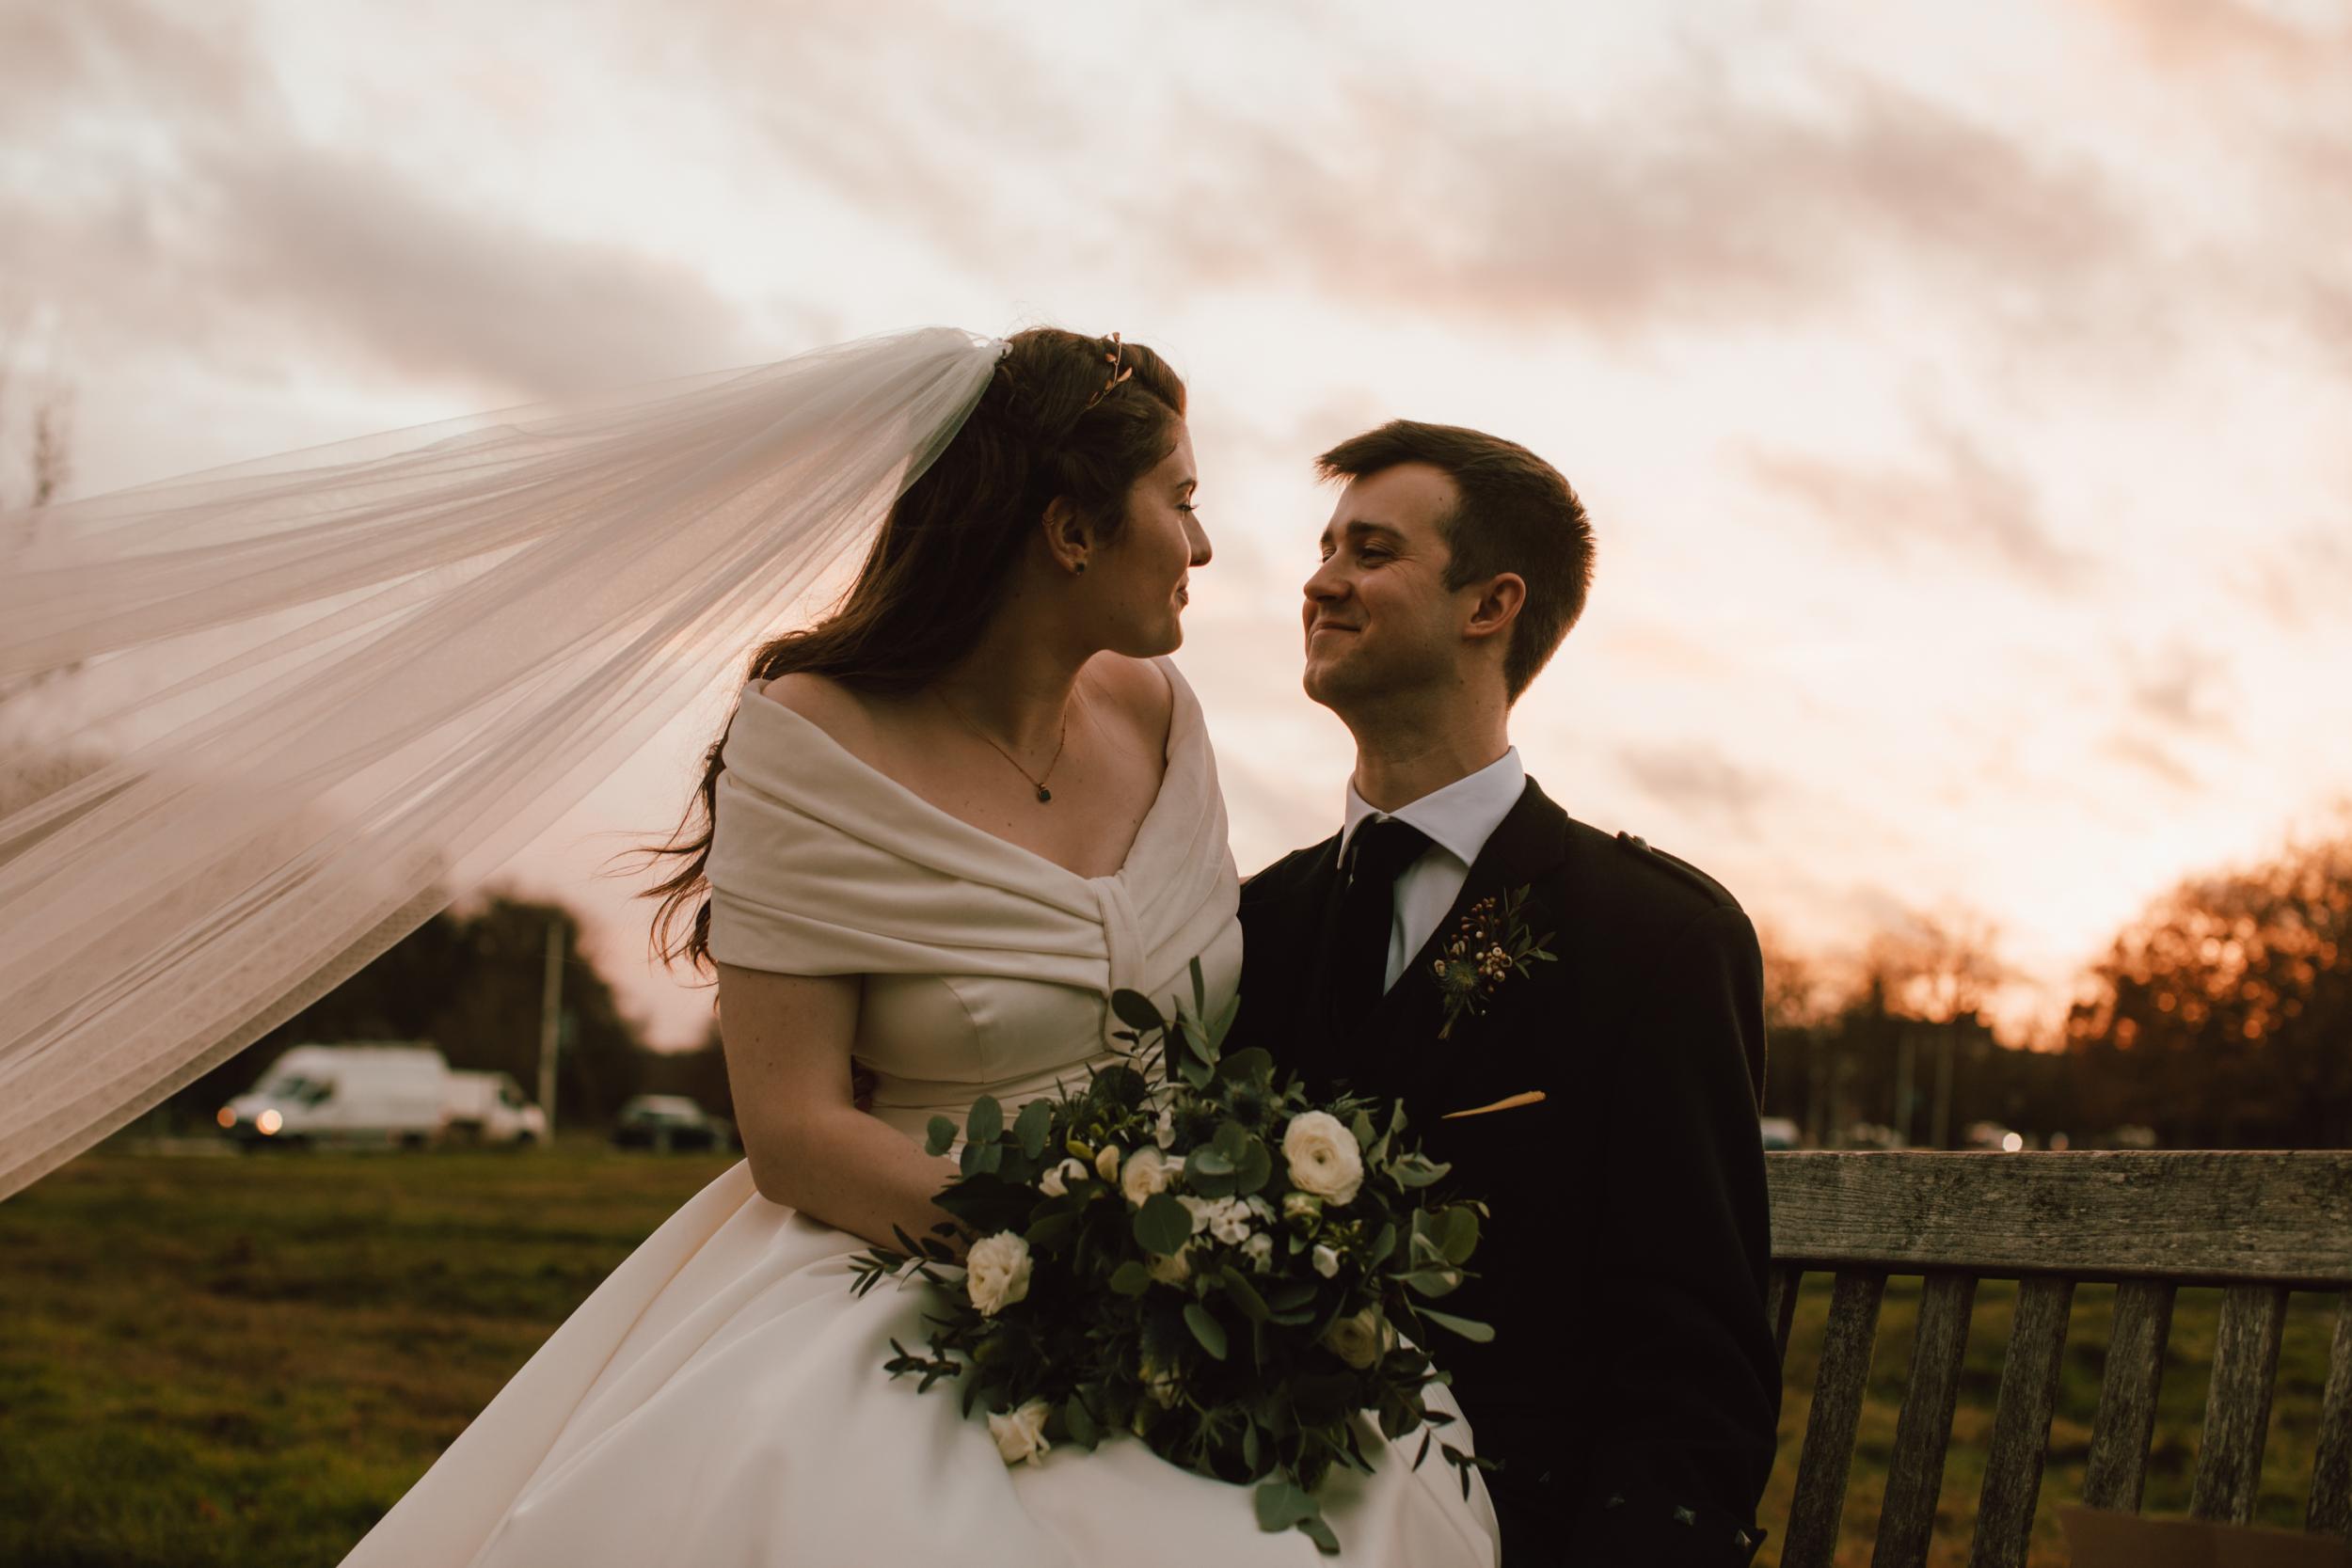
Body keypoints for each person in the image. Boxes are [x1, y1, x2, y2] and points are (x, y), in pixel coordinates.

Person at [334, 331, 1502, 1566]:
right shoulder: (808, 736)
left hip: (1199, 1292)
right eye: (1182, 502)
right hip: (903, 1273)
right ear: (1071, 529)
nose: (1204, 546)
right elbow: (792, 1129)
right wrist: (1074, 1265)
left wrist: (1221, 1255)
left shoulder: (1165, 714)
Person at [1225, 422, 1782, 1567]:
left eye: (1370, 550)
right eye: (1325, 545)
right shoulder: (1249, 926)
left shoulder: (1660, 936)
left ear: (1490, 605)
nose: (1319, 580)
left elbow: (1691, 1363)